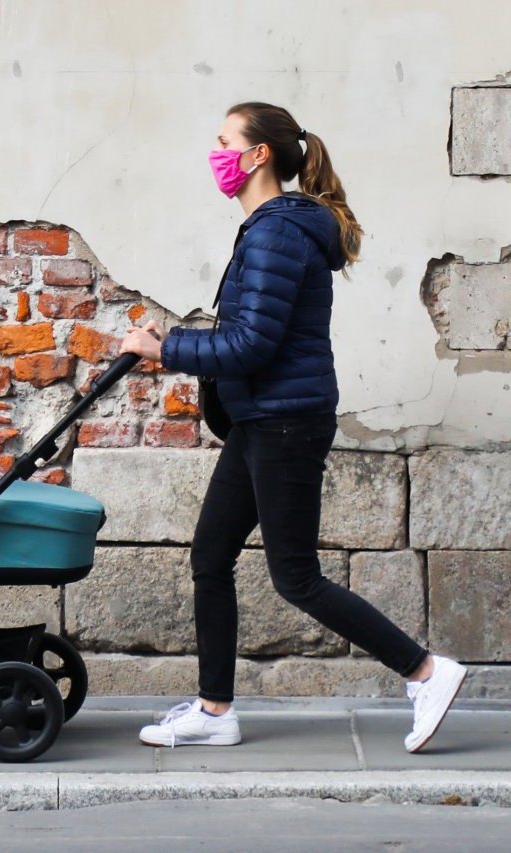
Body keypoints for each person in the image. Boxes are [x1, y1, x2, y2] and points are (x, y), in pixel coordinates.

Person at [118, 102, 466, 753]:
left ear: (257, 156)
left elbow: (251, 344)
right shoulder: (267, 228)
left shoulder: (277, 233)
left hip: (285, 423)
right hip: (260, 419)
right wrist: (178, 345)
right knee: (211, 555)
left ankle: (425, 670)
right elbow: (251, 338)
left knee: (296, 575)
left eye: (224, 141)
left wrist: (166, 349)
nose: (214, 153)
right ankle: (215, 709)